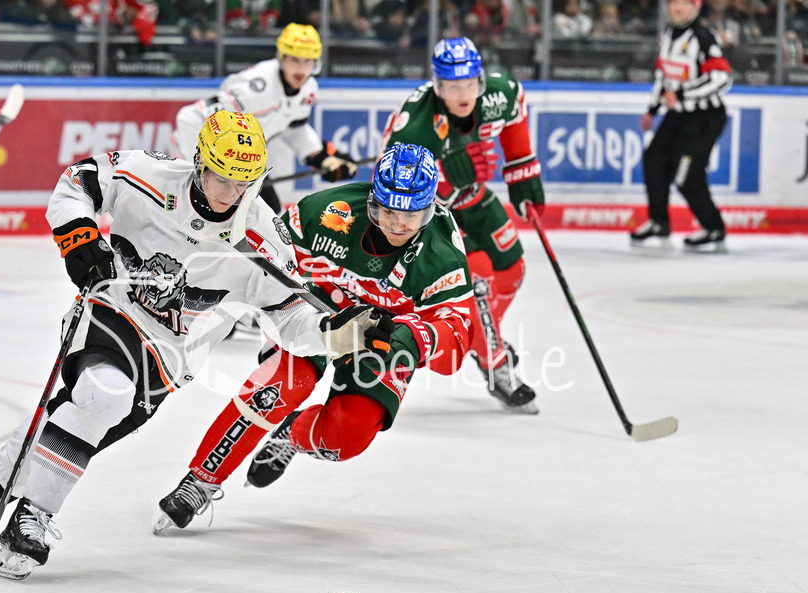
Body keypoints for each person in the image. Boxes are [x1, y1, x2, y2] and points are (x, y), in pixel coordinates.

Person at [0, 110, 391, 580]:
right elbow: (75, 183)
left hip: (169, 360)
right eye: (219, 178)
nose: (228, 194)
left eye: (242, 183)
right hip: (111, 312)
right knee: (104, 395)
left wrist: (328, 333)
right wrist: (79, 239)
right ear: (197, 165)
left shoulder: (261, 236)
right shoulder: (148, 174)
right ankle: (34, 515)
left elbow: (286, 314)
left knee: (48, 442)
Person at [153, 143, 476, 533]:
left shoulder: (441, 256)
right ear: (372, 201)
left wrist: (411, 338)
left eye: (411, 215)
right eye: (387, 210)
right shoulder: (328, 213)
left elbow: (457, 340)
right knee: (282, 384)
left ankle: (293, 432)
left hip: (385, 335)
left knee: (346, 438)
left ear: (430, 209)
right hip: (317, 309)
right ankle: (201, 480)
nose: (396, 224)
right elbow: (264, 254)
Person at [381, 37, 543, 413]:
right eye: (453, 87)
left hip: (474, 199)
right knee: (479, 286)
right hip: (433, 215)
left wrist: (523, 176)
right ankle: (494, 363)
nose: (463, 93)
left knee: (513, 266)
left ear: (480, 80)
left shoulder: (498, 95)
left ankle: (483, 338)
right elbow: (397, 195)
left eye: (469, 84)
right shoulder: (417, 124)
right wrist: (447, 176)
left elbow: (516, 113)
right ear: (438, 87)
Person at [172, 22, 358, 214]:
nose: (300, 69)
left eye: (307, 61)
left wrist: (323, 158)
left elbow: (294, 128)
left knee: (268, 213)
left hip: (244, 157)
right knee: (203, 208)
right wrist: (198, 167)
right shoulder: (257, 88)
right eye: (294, 60)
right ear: (282, 57)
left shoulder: (308, 88)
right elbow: (191, 118)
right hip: (220, 156)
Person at [629, 0, 732, 252]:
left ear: (695, 7)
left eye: (684, 3)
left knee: (687, 177)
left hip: (705, 118)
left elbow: (722, 78)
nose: (677, 8)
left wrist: (684, 95)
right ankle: (658, 222)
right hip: (679, 116)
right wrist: (652, 109)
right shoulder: (668, 34)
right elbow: (664, 75)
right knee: (653, 158)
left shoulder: (703, 37)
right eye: (674, 2)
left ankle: (713, 227)